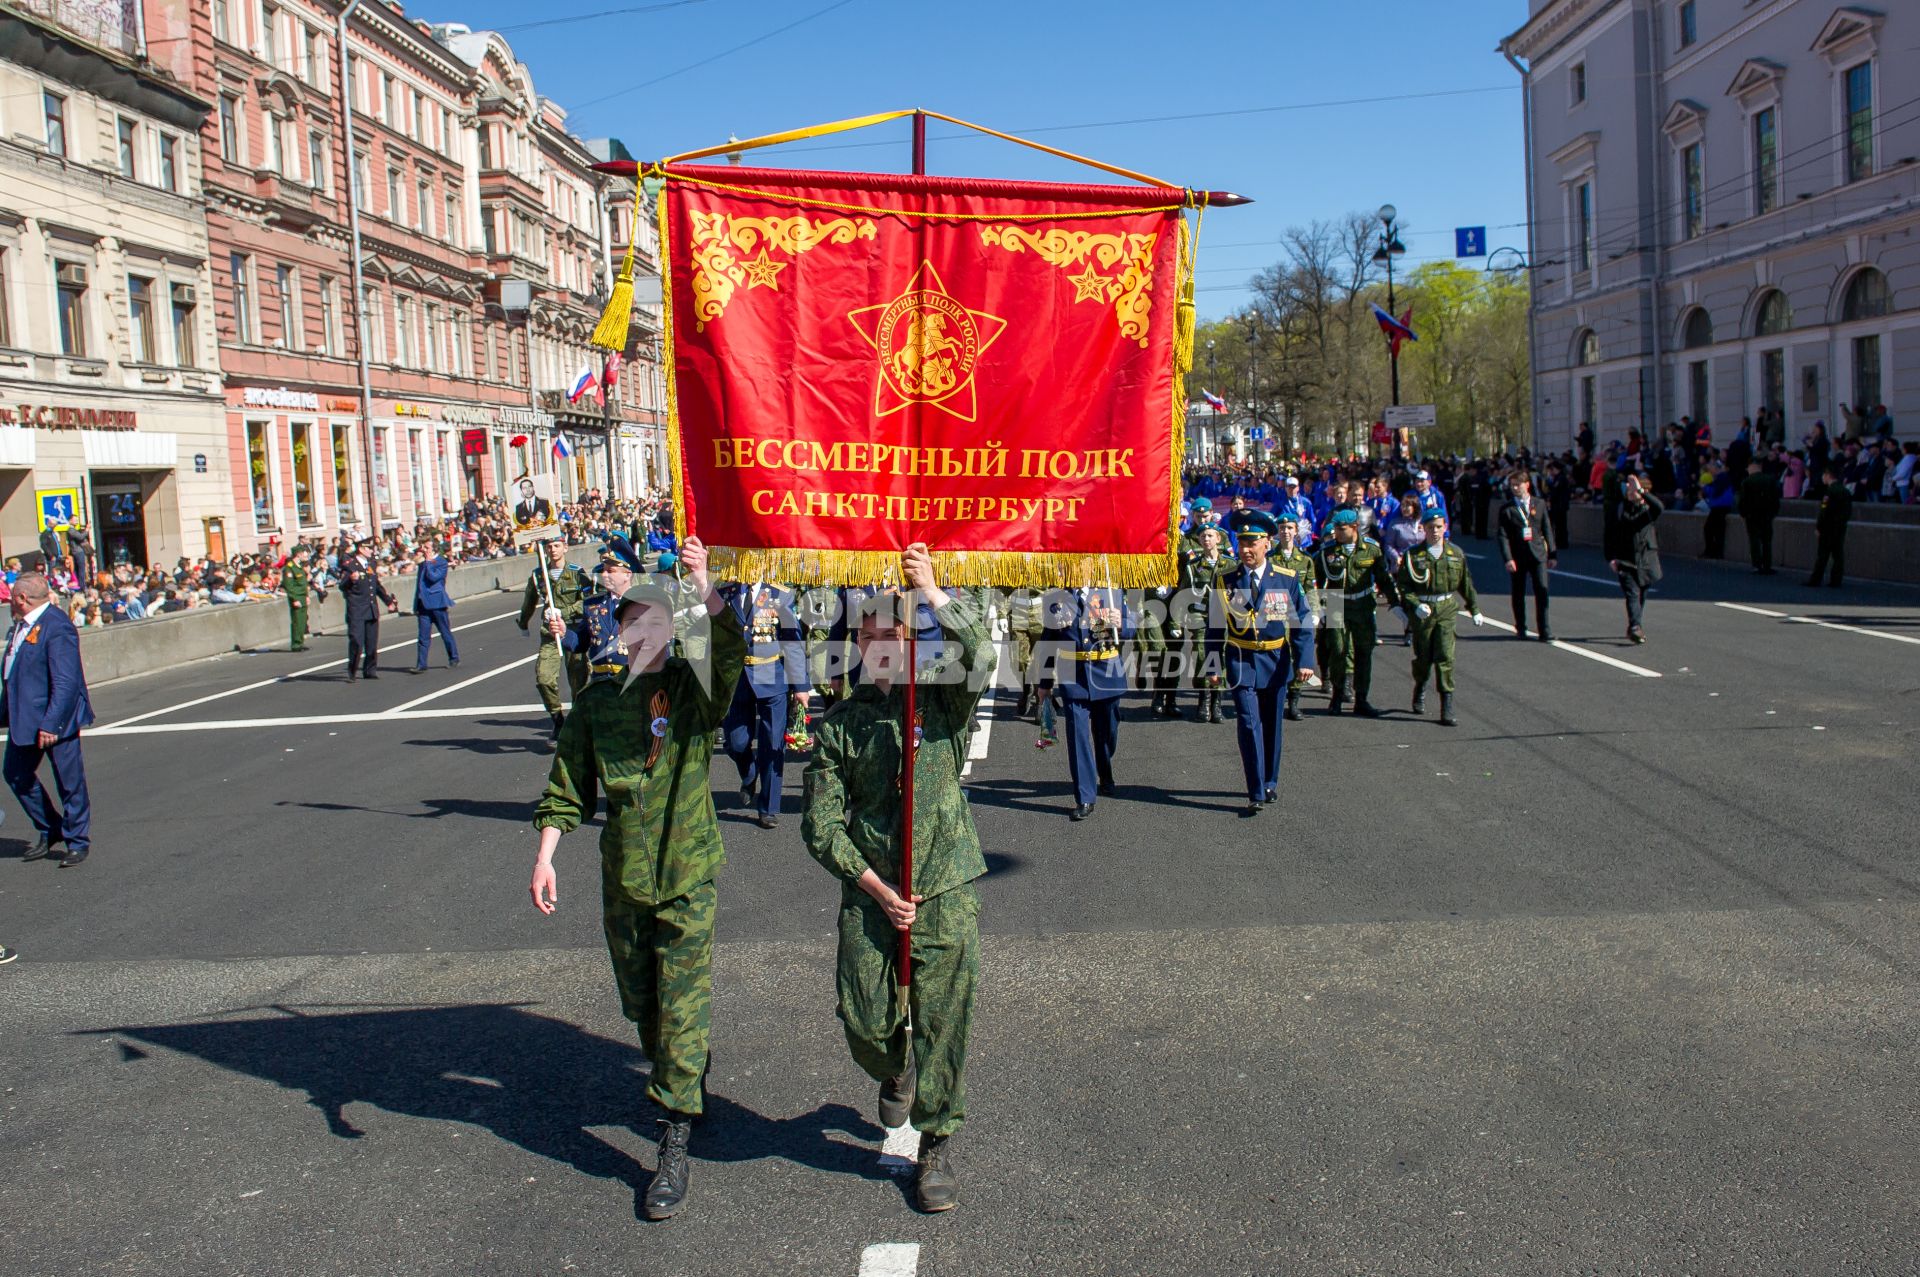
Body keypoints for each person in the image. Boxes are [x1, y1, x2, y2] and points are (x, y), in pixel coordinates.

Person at [531, 537, 741, 1222]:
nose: (647, 634)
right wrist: (546, 853)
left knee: (681, 1006)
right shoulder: (597, 704)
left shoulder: (690, 692)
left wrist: (703, 582)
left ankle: (673, 1137)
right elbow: (568, 788)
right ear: (622, 631)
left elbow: (729, 654)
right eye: (636, 623)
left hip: (686, 877)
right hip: (624, 878)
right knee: (643, 1005)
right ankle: (683, 1067)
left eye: (661, 622)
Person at [801, 545, 990, 1214]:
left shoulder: (940, 701)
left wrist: (933, 588)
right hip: (873, 895)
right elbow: (820, 825)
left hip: (942, 885)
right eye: (870, 632)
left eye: (893, 631)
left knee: (943, 1020)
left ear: (909, 638)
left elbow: (983, 651)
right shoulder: (843, 724)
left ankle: (936, 1142)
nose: (881, 641)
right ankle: (892, 1063)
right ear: (858, 641)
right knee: (867, 1020)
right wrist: (876, 887)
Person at [1217, 509, 1315, 816]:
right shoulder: (1226, 580)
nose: (1246, 549)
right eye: (1242, 541)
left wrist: (1305, 660)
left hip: (1275, 660)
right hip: (1241, 660)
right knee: (1248, 723)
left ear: (1267, 544)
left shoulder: (1285, 579)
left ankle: (1270, 780)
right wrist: (1210, 665)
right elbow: (1214, 626)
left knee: (1272, 726)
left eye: (1253, 542)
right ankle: (1255, 789)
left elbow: (1301, 623)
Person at [1, 573, 94, 867]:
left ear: (22, 599)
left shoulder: (57, 627)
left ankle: (77, 840)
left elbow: (66, 682)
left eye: (12, 598)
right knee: (16, 774)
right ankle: (51, 827)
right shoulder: (21, 625)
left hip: (55, 721)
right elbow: (15, 674)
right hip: (25, 718)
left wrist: (51, 724)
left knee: (70, 783)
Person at [1036, 571, 1133, 821]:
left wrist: (1120, 622)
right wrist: (1044, 683)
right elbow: (1048, 642)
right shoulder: (1056, 599)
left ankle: (1104, 768)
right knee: (1078, 735)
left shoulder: (1110, 592)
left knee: (1107, 732)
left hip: (1106, 671)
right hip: (1073, 674)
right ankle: (1085, 796)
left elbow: (1131, 630)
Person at [719, 578, 810, 830]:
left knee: (772, 743)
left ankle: (768, 807)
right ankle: (749, 773)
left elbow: (792, 640)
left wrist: (800, 685)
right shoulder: (724, 591)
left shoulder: (780, 594)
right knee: (736, 741)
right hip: (736, 678)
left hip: (771, 676)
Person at [1394, 512, 1483, 726]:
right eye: (1430, 527)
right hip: (1423, 610)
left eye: (1438, 527)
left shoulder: (1455, 554)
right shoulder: (1413, 555)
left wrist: (1475, 608)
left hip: (1446, 607)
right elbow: (1404, 586)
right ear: (1423, 529)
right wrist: (1415, 605)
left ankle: (1447, 704)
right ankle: (1420, 687)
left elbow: (1465, 583)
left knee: (1445, 655)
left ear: (1445, 528)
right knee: (1423, 656)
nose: (1435, 531)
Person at [1311, 508, 1397, 716]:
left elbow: (1383, 578)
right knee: (1338, 651)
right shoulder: (1327, 552)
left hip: (1363, 605)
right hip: (1335, 603)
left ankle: (1362, 699)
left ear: (1354, 528)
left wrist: (1395, 603)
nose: (1337, 533)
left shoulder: (1372, 550)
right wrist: (1317, 609)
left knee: (1363, 652)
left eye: (1342, 529)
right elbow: (1314, 582)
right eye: (1336, 529)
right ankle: (1337, 696)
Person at [518, 539, 591, 739]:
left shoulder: (577, 573)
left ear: (565, 548)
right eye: (549, 546)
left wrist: (565, 610)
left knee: (579, 683)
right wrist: (523, 623)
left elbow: (587, 601)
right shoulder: (538, 576)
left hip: (574, 632)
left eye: (557, 545)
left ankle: (578, 722)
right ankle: (557, 719)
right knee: (544, 679)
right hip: (550, 634)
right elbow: (529, 601)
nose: (553, 550)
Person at [1178, 525, 1234, 724]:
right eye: (1203, 536)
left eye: (1210, 535)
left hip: (1224, 618)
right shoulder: (1193, 566)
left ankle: (1217, 703)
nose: (1206, 539)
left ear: (1218, 538)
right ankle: (1204, 700)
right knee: (1203, 656)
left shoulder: (1230, 564)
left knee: (1222, 656)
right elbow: (1184, 593)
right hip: (1201, 617)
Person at [1495, 470, 1556, 641]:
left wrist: (1552, 553)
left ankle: (1545, 630)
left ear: (1527, 484)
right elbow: (1502, 535)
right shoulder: (1507, 509)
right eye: (1512, 485)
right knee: (1518, 592)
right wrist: (1508, 558)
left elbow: (1547, 530)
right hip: (1518, 556)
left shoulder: (1540, 504)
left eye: (1518, 484)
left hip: (1538, 555)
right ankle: (1521, 627)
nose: (1514, 488)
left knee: (1542, 591)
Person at [1604, 472, 1663, 644]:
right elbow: (1609, 534)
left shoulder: (1648, 510)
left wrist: (1641, 492)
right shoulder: (1620, 508)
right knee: (1632, 593)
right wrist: (1611, 557)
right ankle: (1636, 626)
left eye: (1634, 490)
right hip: (1625, 559)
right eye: (1629, 490)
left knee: (1642, 594)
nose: (1630, 493)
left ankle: (1634, 625)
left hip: (1646, 560)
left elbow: (1660, 507)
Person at [337, 540, 397, 680]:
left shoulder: (370, 564)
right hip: (357, 610)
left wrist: (388, 601)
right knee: (357, 641)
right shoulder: (350, 566)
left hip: (371, 608)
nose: (371, 551)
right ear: (361, 549)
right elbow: (342, 586)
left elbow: (375, 586)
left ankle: (370, 670)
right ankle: (352, 670)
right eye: (369, 549)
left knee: (371, 643)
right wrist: (351, 580)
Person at [410, 542, 459, 672]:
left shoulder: (441, 562)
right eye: (424, 547)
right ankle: (421, 664)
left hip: (437, 603)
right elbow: (419, 586)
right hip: (423, 605)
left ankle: (453, 657)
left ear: (434, 550)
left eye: (427, 548)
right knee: (423, 637)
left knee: (445, 632)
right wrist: (415, 605)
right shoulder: (423, 564)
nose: (424, 550)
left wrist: (428, 563)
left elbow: (433, 578)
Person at [1806, 462, 1853, 588]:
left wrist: (1819, 527)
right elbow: (1848, 511)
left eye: (1824, 475)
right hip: (1840, 527)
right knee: (1838, 555)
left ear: (1828, 475)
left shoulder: (1830, 491)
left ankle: (1815, 580)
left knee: (1823, 555)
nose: (1823, 477)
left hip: (1828, 528)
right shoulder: (1845, 491)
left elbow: (1824, 511)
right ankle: (1836, 580)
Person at [1737, 460, 1781, 575]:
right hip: (1767, 515)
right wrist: (1773, 512)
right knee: (1767, 540)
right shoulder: (1770, 480)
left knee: (1754, 540)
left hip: (1752, 515)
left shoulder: (1747, 481)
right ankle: (1767, 565)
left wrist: (1743, 513)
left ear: (1751, 467)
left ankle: (1757, 564)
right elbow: (1776, 498)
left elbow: (1742, 500)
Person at [282, 551, 312, 651]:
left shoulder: (299, 567)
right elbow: (289, 586)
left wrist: (307, 596)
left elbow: (303, 584)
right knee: (297, 621)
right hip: (296, 597)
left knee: (303, 621)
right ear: (298, 554)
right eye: (304, 555)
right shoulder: (289, 568)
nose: (306, 557)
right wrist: (294, 599)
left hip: (303, 596)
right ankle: (296, 644)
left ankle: (300, 642)